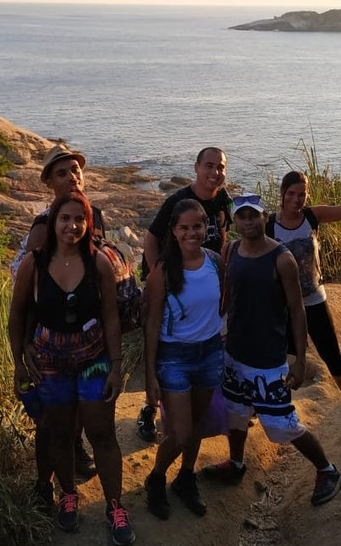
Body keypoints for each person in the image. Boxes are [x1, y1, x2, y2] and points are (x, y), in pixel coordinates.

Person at [200, 193, 341, 507]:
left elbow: (296, 309)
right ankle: (236, 464)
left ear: (265, 217)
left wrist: (300, 359)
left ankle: (327, 469)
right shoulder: (230, 249)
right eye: (242, 217)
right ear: (235, 221)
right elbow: (227, 296)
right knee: (236, 414)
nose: (248, 222)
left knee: (281, 423)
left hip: (267, 359)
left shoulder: (282, 258)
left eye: (254, 216)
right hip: (235, 353)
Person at [9, 189, 135, 545]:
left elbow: (110, 316)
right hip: (49, 363)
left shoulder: (99, 263)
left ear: (89, 223)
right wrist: (18, 361)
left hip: (93, 359)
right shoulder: (34, 263)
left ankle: (115, 506)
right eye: (65, 218)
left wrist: (116, 365)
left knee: (102, 434)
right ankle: (67, 494)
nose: (72, 225)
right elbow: (17, 314)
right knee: (60, 434)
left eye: (79, 219)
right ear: (53, 222)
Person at [266, 148, 341, 430]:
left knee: (333, 355)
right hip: (283, 307)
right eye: (291, 193)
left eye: (302, 194)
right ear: (282, 194)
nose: (296, 200)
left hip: (314, 301)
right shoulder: (268, 225)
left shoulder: (312, 217)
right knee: (279, 360)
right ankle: (271, 411)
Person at [10, 143, 101, 506]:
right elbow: (30, 294)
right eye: (62, 172)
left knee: (72, 412)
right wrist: (26, 346)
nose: (72, 177)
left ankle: (73, 453)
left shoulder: (91, 216)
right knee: (48, 421)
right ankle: (43, 484)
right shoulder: (43, 227)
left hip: (83, 339)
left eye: (75, 171)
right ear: (49, 182)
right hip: (46, 340)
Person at [137, 146, 231, 441]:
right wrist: (160, 277)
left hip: (204, 280)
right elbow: (150, 239)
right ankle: (150, 408)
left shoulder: (223, 200)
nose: (215, 172)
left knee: (205, 346)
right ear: (196, 167)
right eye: (209, 165)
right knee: (168, 346)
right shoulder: (177, 201)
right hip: (174, 283)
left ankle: (206, 412)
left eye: (220, 167)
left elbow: (223, 238)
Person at [142, 199, 224, 519]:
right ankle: (157, 477)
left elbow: (222, 303)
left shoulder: (217, 262)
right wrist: (150, 374)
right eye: (184, 228)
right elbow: (151, 323)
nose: (192, 233)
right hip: (174, 357)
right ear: (174, 232)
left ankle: (186, 477)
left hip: (209, 352)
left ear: (206, 228)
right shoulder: (162, 271)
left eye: (198, 226)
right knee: (181, 431)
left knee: (198, 425)